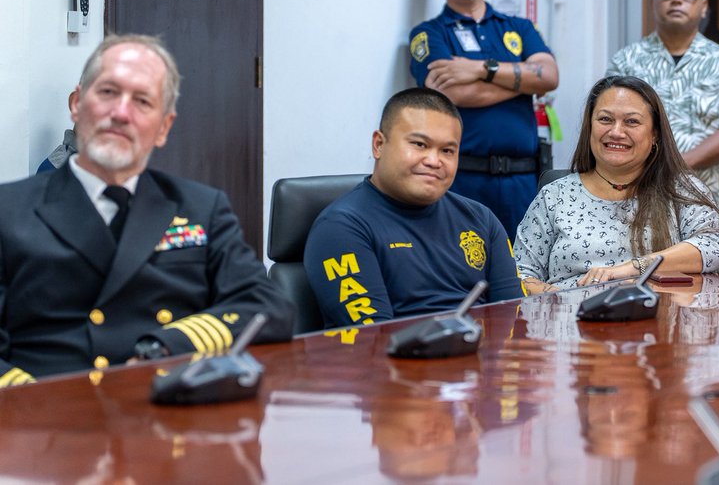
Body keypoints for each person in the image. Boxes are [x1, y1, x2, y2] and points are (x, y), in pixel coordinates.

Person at [0, 35, 294, 385]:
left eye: (142, 101)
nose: (121, 114)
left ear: (163, 128)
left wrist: (167, 345)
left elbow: (267, 306)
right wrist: (28, 404)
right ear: (77, 104)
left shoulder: (202, 208)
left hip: (164, 415)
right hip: (44, 423)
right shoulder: (9, 210)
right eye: (108, 92)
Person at [304, 87, 524, 327]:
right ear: (378, 145)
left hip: (482, 357)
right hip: (400, 360)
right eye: (419, 144)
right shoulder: (340, 228)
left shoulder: (481, 219)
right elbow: (371, 340)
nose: (433, 161)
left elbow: (510, 317)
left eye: (447, 151)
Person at [408, 0, 559, 239]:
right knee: (467, 271)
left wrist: (479, 68)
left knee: (525, 274)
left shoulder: (519, 27)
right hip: (464, 180)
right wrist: (524, 82)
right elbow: (453, 94)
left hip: (524, 180)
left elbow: (550, 76)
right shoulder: (429, 34)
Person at [606, 0, 719, 269]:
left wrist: (673, 166)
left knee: (710, 309)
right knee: (637, 303)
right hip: (635, 212)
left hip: (711, 211)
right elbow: (608, 126)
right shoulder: (626, 62)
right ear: (653, 3)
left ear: (703, 7)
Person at [514, 76, 719, 291]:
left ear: (655, 134)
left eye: (631, 121)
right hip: (569, 318)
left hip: (657, 315)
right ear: (589, 127)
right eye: (605, 119)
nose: (616, 132)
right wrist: (564, 301)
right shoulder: (555, 195)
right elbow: (519, 274)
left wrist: (632, 268)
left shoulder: (681, 189)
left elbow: (712, 248)